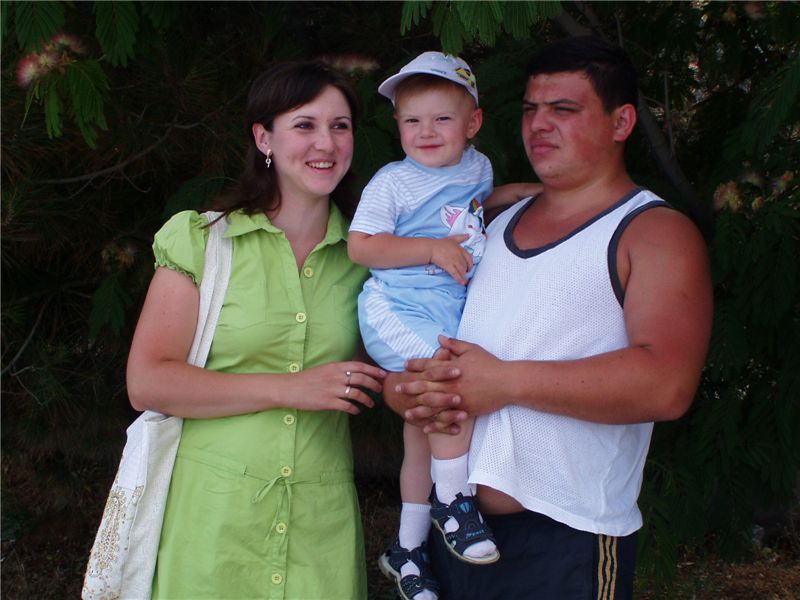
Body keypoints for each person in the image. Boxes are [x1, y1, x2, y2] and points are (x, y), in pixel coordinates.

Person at [384, 36, 714, 599]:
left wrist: (503, 383)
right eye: (531, 109)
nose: (539, 124)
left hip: (565, 544)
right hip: (450, 534)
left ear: (621, 121)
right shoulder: (485, 225)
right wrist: (408, 390)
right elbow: (419, 324)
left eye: (563, 109)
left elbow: (667, 384)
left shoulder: (652, 232)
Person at [125, 60, 386, 599]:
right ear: (264, 138)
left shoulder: (373, 258)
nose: (326, 143)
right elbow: (147, 382)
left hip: (321, 532)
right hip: (210, 530)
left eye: (340, 126)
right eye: (304, 125)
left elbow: (399, 366)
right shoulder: (204, 241)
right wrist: (291, 387)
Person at [348, 51, 540, 600]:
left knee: (421, 428)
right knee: (449, 385)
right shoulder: (394, 182)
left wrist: (514, 196)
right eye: (412, 120)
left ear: (472, 123)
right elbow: (362, 246)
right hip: (398, 308)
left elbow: (470, 208)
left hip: (447, 311)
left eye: (441, 119)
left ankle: (407, 550)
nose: (425, 132)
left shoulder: (476, 167)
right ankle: (454, 502)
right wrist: (430, 248)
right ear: (397, 125)